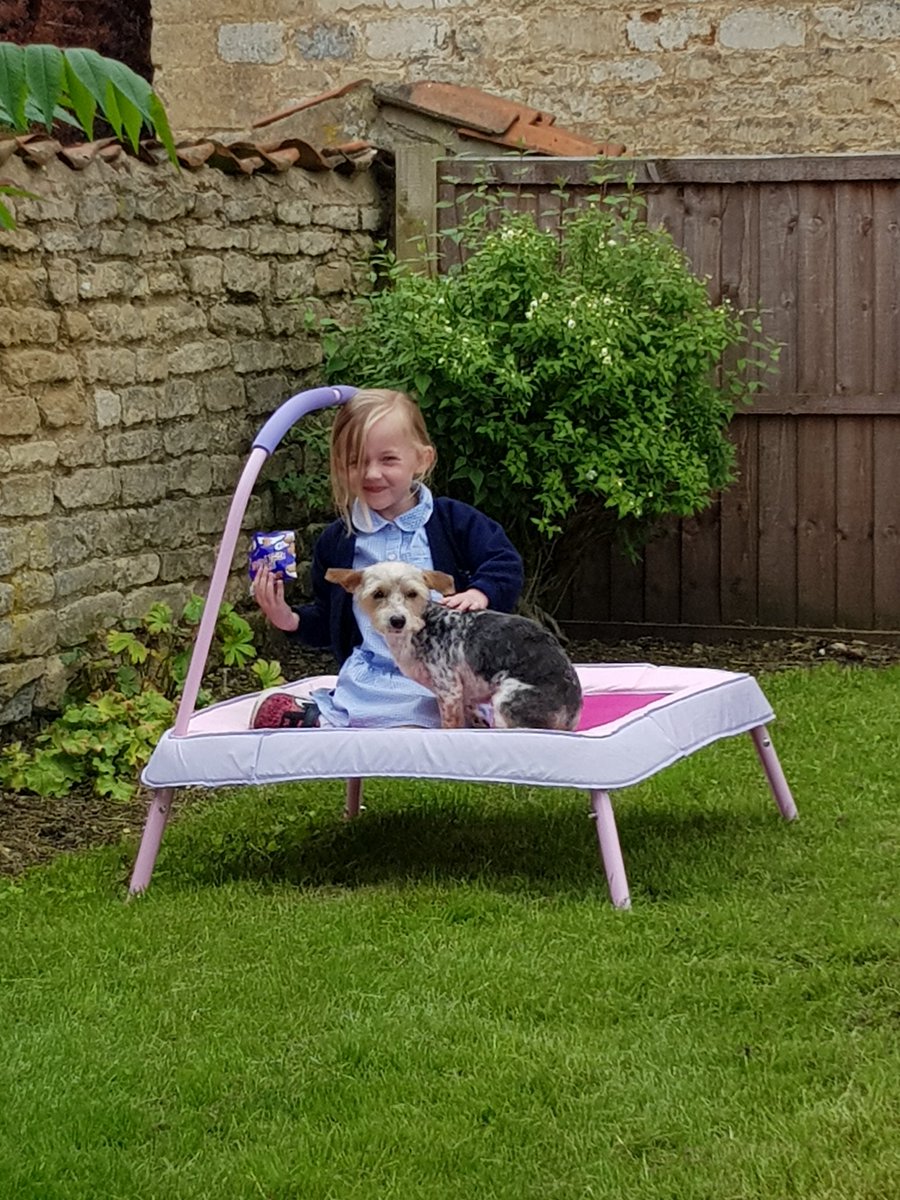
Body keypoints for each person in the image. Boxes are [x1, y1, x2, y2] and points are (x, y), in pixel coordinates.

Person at [250, 388, 523, 728]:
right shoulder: (338, 540)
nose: (371, 474)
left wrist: (479, 593)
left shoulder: (453, 521)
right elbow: (329, 619)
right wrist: (289, 619)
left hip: (446, 674)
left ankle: (319, 718)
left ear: (422, 459)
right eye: (356, 462)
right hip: (373, 681)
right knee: (367, 712)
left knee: (458, 703)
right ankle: (323, 715)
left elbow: (505, 562)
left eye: (388, 459)